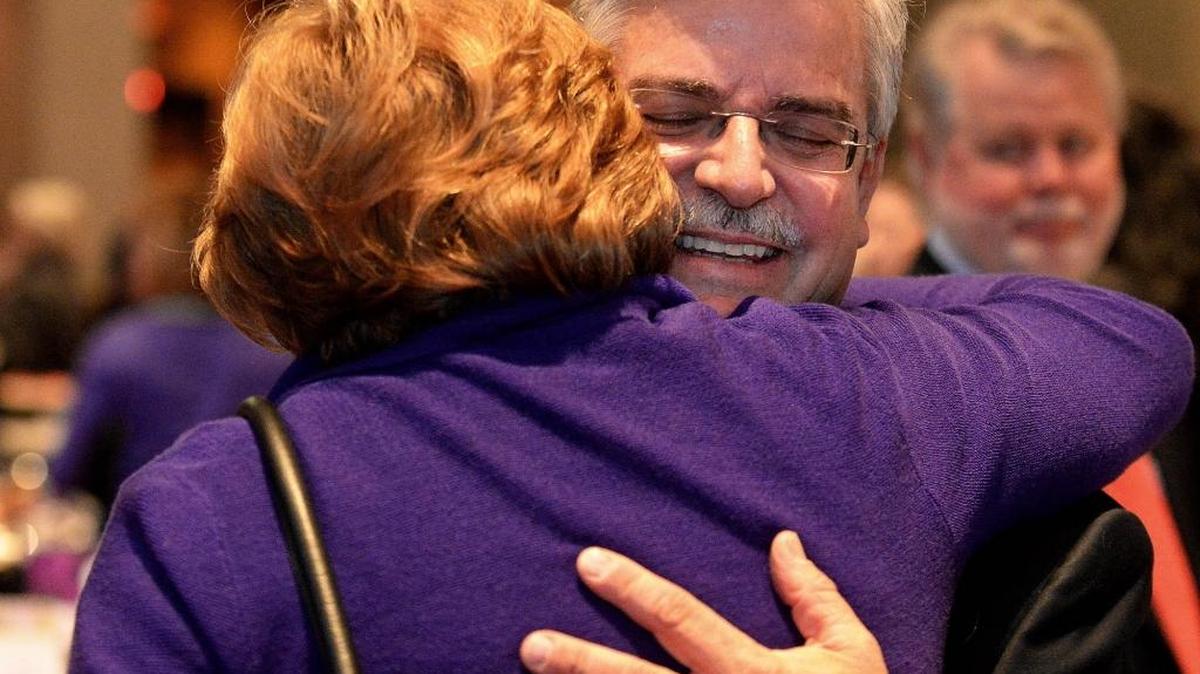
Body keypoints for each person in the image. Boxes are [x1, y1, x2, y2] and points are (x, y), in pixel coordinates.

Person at [68, 1, 1192, 673]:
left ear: (870, 180)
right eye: (674, 116)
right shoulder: (881, 401)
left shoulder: (1019, 511)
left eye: (806, 130)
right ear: (567, 126)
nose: (740, 171)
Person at [901, 1, 1200, 669]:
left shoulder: (1146, 351)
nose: (1051, 180)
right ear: (926, 160)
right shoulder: (900, 372)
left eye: (1076, 144)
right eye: (1008, 149)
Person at [49, 173, 289, 512]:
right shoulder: (271, 348)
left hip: (141, 537)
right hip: (246, 537)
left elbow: (68, 475)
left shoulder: (119, 344)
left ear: (145, 256)